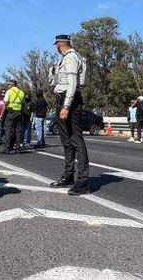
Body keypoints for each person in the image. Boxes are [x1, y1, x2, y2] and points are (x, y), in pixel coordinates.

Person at [49, 34, 90, 195]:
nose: (56, 48)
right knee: (66, 141)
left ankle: (83, 181)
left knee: (76, 140)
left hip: (69, 101)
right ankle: (68, 175)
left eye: (56, 45)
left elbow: (72, 84)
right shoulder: (66, 58)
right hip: (64, 99)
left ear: (60, 44)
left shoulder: (71, 58)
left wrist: (66, 106)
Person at [1, 79, 25, 154]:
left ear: (12, 84)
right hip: (19, 112)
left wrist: (2, 114)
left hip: (11, 112)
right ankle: (18, 147)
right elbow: (23, 103)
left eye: (9, 84)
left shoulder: (9, 91)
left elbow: (5, 103)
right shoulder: (21, 92)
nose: (8, 86)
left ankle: (7, 148)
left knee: (8, 129)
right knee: (18, 130)